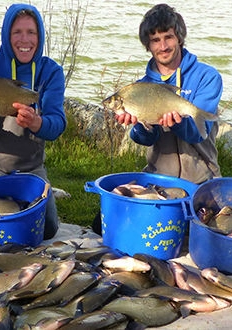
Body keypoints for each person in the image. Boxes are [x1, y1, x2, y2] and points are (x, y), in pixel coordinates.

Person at [93, 4, 223, 234]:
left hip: (201, 180)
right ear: (148, 45)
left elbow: (198, 133)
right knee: (102, 224)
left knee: (202, 234)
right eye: (155, 40)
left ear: (179, 37)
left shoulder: (207, 77)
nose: (163, 46)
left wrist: (180, 121)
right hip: (158, 179)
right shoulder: (141, 86)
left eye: (168, 37)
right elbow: (143, 137)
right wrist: (139, 124)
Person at [0, 4, 66, 240]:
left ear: (40, 36)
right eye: (17, 32)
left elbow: (57, 124)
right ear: (7, 35)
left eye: (31, 32)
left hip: (29, 166)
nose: (24, 40)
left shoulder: (51, 72)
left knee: (47, 229)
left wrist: (38, 123)